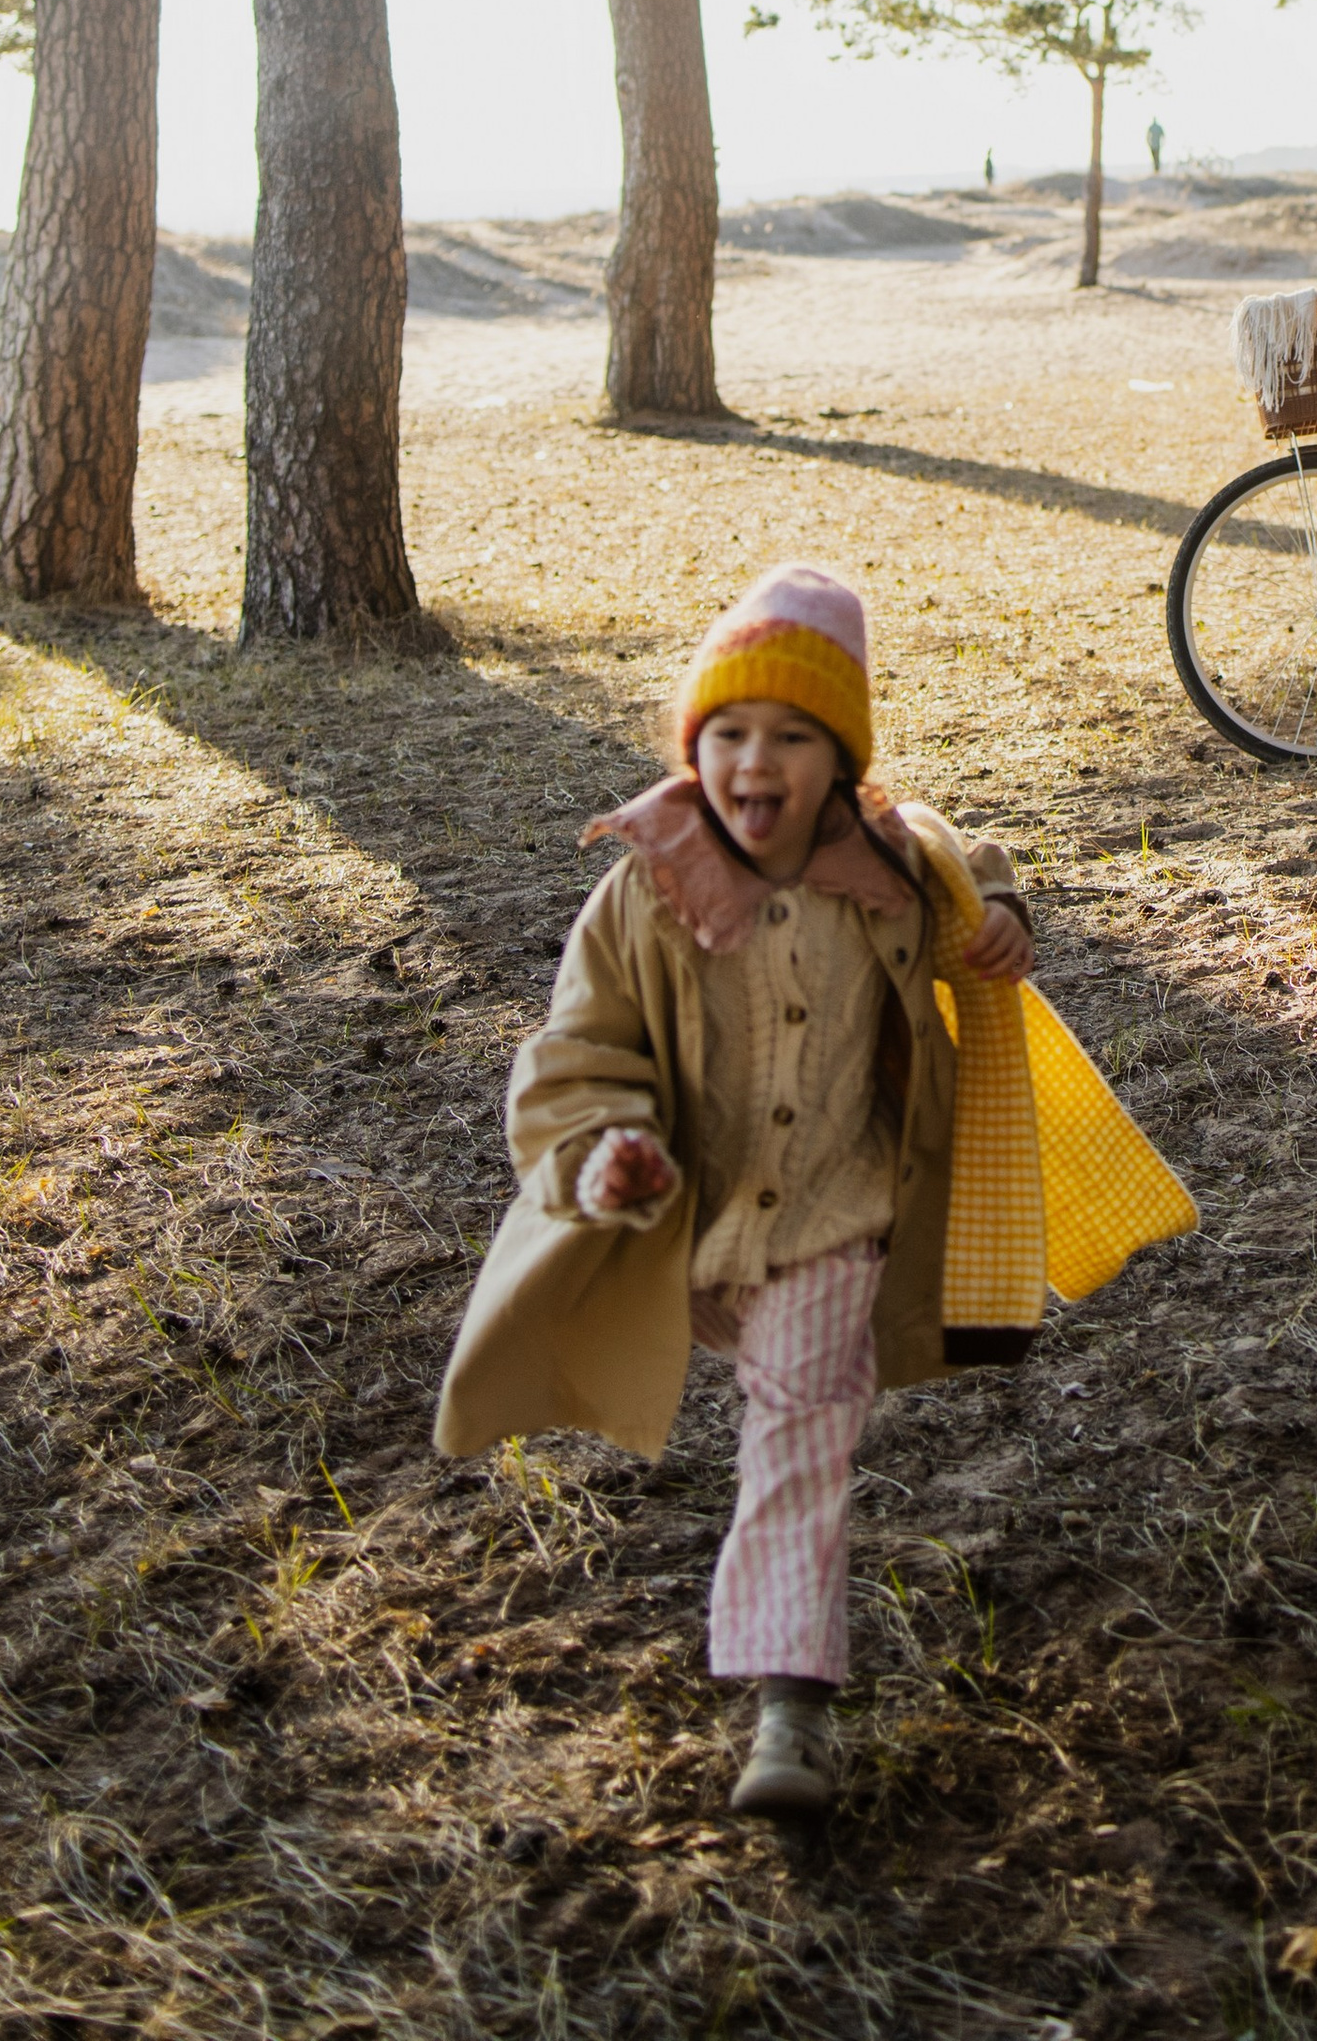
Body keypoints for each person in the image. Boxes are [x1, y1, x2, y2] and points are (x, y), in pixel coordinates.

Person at [434, 563, 1195, 1822]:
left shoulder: (887, 872)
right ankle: (783, 1669)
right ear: (694, 753)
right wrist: (604, 1150)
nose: (756, 761)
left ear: (839, 767)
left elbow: (961, 851)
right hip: (683, 1224)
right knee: (748, 1403)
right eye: (728, 733)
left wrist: (998, 909)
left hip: (834, 1228)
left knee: (797, 1430)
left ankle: (788, 1702)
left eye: (792, 736)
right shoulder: (644, 889)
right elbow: (575, 1056)